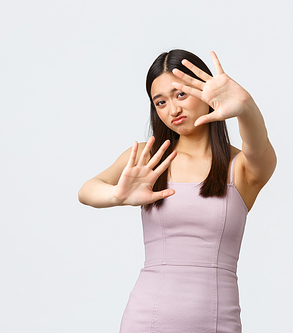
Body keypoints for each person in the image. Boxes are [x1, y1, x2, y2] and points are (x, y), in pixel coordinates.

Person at [78, 49, 276, 333]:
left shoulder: (241, 169)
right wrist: (116, 196)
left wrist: (246, 108)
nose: (173, 110)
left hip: (217, 322)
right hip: (147, 320)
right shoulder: (150, 160)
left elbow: (260, 147)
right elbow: (87, 190)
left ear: (205, 91)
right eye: (160, 102)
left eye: (180, 94)